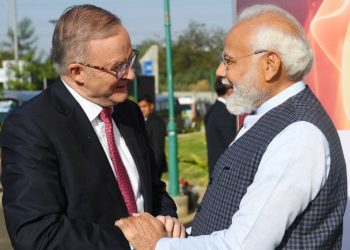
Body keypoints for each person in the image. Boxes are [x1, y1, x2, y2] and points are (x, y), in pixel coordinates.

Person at [115, 4, 348, 250]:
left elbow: (243, 245)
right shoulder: (277, 119)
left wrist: (157, 245)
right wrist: (181, 237)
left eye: (229, 60)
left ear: (270, 64)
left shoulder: (299, 135)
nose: (220, 72)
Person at [0, 4, 183, 250]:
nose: (130, 75)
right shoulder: (31, 127)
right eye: (118, 66)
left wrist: (167, 219)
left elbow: (152, 188)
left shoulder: (129, 113)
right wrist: (131, 241)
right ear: (77, 72)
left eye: (131, 59)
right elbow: (37, 234)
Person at [204, 78, 236, 178]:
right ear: (229, 90)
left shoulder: (213, 109)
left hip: (215, 167)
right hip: (224, 172)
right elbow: (231, 142)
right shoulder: (224, 113)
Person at [138, 94, 168, 179]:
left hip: (153, 166)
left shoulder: (157, 121)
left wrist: (155, 168)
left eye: (144, 106)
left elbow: (158, 147)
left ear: (151, 106)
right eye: (140, 107)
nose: (142, 109)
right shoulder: (139, 120)